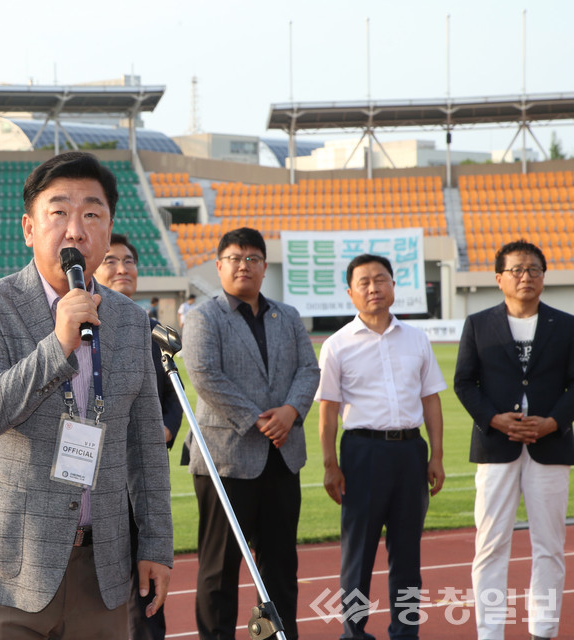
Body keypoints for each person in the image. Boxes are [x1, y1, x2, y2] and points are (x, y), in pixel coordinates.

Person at [0, 151, 174, 639]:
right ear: (29, 228)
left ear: (108, 229)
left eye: (91, 213)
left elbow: (146, 441)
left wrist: (156, 542)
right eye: (58, 212)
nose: (75, 229)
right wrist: (58, 343)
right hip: (3, 570)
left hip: (100, 569)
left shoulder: (131, 320)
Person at [182, 227, 319, 640]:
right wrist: (261, 420)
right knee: (219, 569)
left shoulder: (287, 316)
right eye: (236, 258)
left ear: (263, 267)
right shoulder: (204, 316)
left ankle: (279, 636)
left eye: (253, 258)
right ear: (220, 266)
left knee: (280, 567)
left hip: (282, 457)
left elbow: (308, 370)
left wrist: (291, 411)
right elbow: (205, 376)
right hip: (226, 461)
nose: (245, 265)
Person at [315, 253, 445, 640]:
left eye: (381, 279)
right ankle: (354, 631)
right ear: (350, 293)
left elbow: (432, 400)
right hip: (362, 454)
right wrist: (330, 464)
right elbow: (328, 412)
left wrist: (436, 455)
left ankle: (405, 631)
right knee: (359, 554)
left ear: (393, 285)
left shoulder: (417, 339)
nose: (373, 287)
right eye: (364, 282)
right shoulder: (338, 345)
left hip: (410, 453)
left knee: (407, 553)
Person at [453, 240, 574, 640]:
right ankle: (490, 632)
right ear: (499, 278)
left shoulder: (567, 324)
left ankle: (544, 629)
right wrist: (494, 419)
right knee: (490, 545)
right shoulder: (478, 324)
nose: (526, 276)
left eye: (534, 269)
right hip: (495, 447)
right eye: (517, 270)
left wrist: (553, 423)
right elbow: (463, 382)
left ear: (544, 276)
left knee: (549, 546)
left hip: (550, 447)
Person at [93, 232, 183, 640]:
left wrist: (164, 427)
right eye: (111, 260)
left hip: (144, 472)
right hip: (95, 476)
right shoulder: (80, 325)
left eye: (128, 261)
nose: (122, 268)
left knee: (147, 571)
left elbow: (174, 393)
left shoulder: (153, 331)